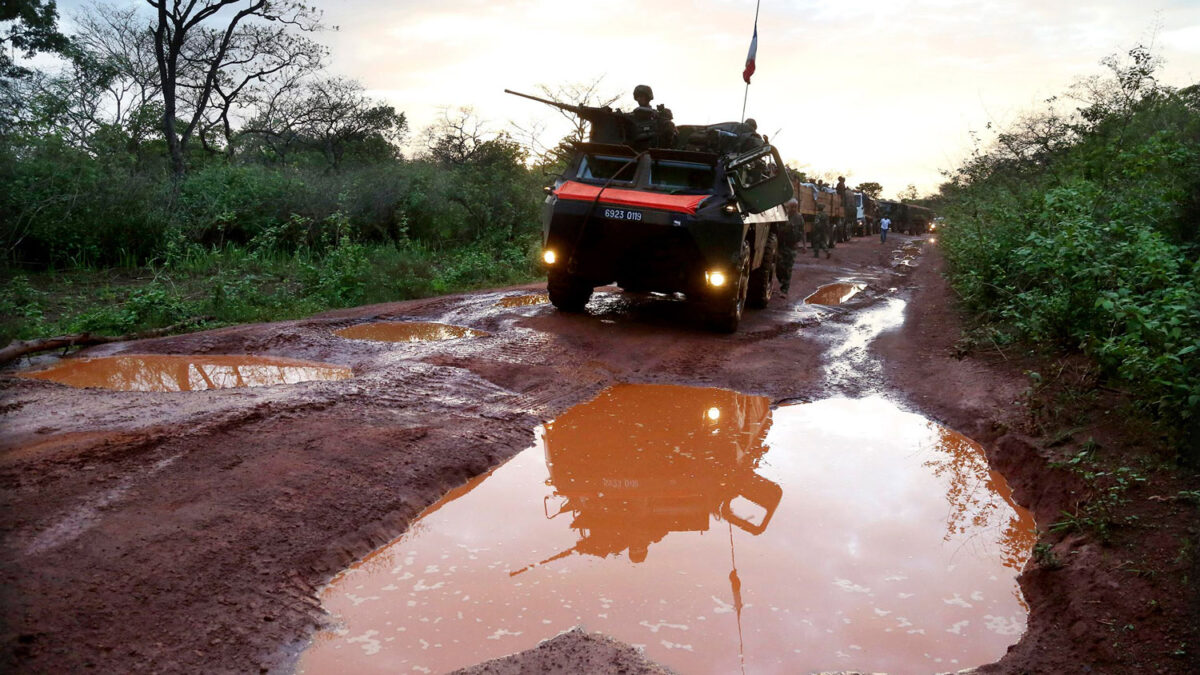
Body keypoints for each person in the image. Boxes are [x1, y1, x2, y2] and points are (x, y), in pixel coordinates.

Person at [776, 200, 803, 297]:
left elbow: (802, 232)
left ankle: (784, 290)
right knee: (778, 267)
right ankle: (781, 281)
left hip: (792, 246)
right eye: (791, 207)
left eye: (795, 207)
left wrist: (804, 245)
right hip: (782, 245)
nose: (793, 209)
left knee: (788, 268)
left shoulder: (799, 218)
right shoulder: (783, 216)